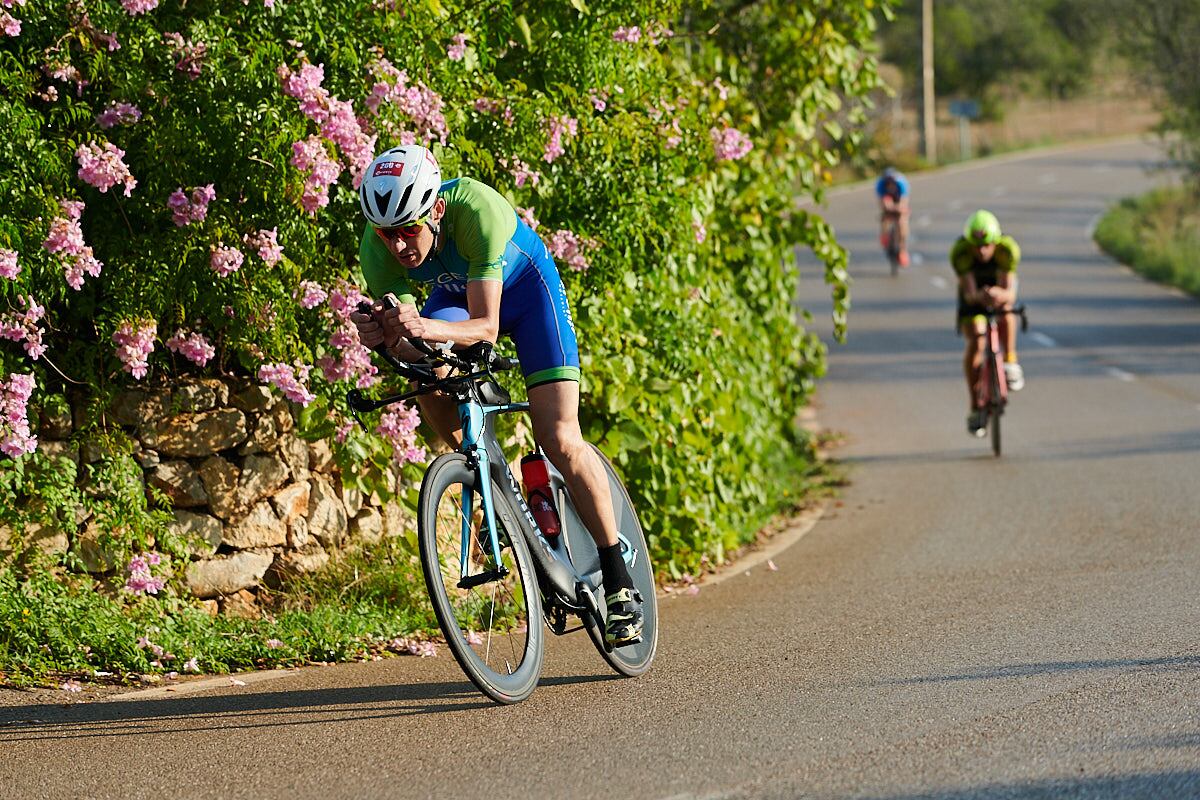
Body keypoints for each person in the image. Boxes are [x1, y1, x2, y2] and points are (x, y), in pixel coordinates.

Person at [348, 145, 643, 646]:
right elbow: (408, 338)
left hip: (527, 295)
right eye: (387, 234)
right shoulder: (377, 253)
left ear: (435, 210)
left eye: (409, 230)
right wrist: (384, 335)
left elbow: (485, 327)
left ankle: (617, 576)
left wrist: (422, 325)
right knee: (424, 365)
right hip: (455, 303)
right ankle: (490, 478)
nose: (398, 247)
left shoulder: (475, 210)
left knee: (558, 435)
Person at [950, 209, 1024, 437]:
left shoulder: (1007, 250)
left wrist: (997, 294)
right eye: (976, 246)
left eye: (987, 245)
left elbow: (1009, 292)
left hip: (999, 290)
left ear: (995, 241)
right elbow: (970, 292)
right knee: (977, 337)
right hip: (974, 296)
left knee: (1006, 312)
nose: (981, 251)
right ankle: (975, 405)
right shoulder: (960, 253)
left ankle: (1010, 360)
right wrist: (979, 297)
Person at [875, 167, 911, 267]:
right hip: (887, 198)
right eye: (888, 183)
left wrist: (900, 209)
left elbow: (904, 203)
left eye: (892, 183)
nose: (890, 186)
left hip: (899, 198)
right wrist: (888, 209)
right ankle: (885, 234)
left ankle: (903, 250)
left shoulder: (902, 185)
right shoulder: (880, 185)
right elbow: (883, 203)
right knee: (885, 215)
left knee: (902, 220)